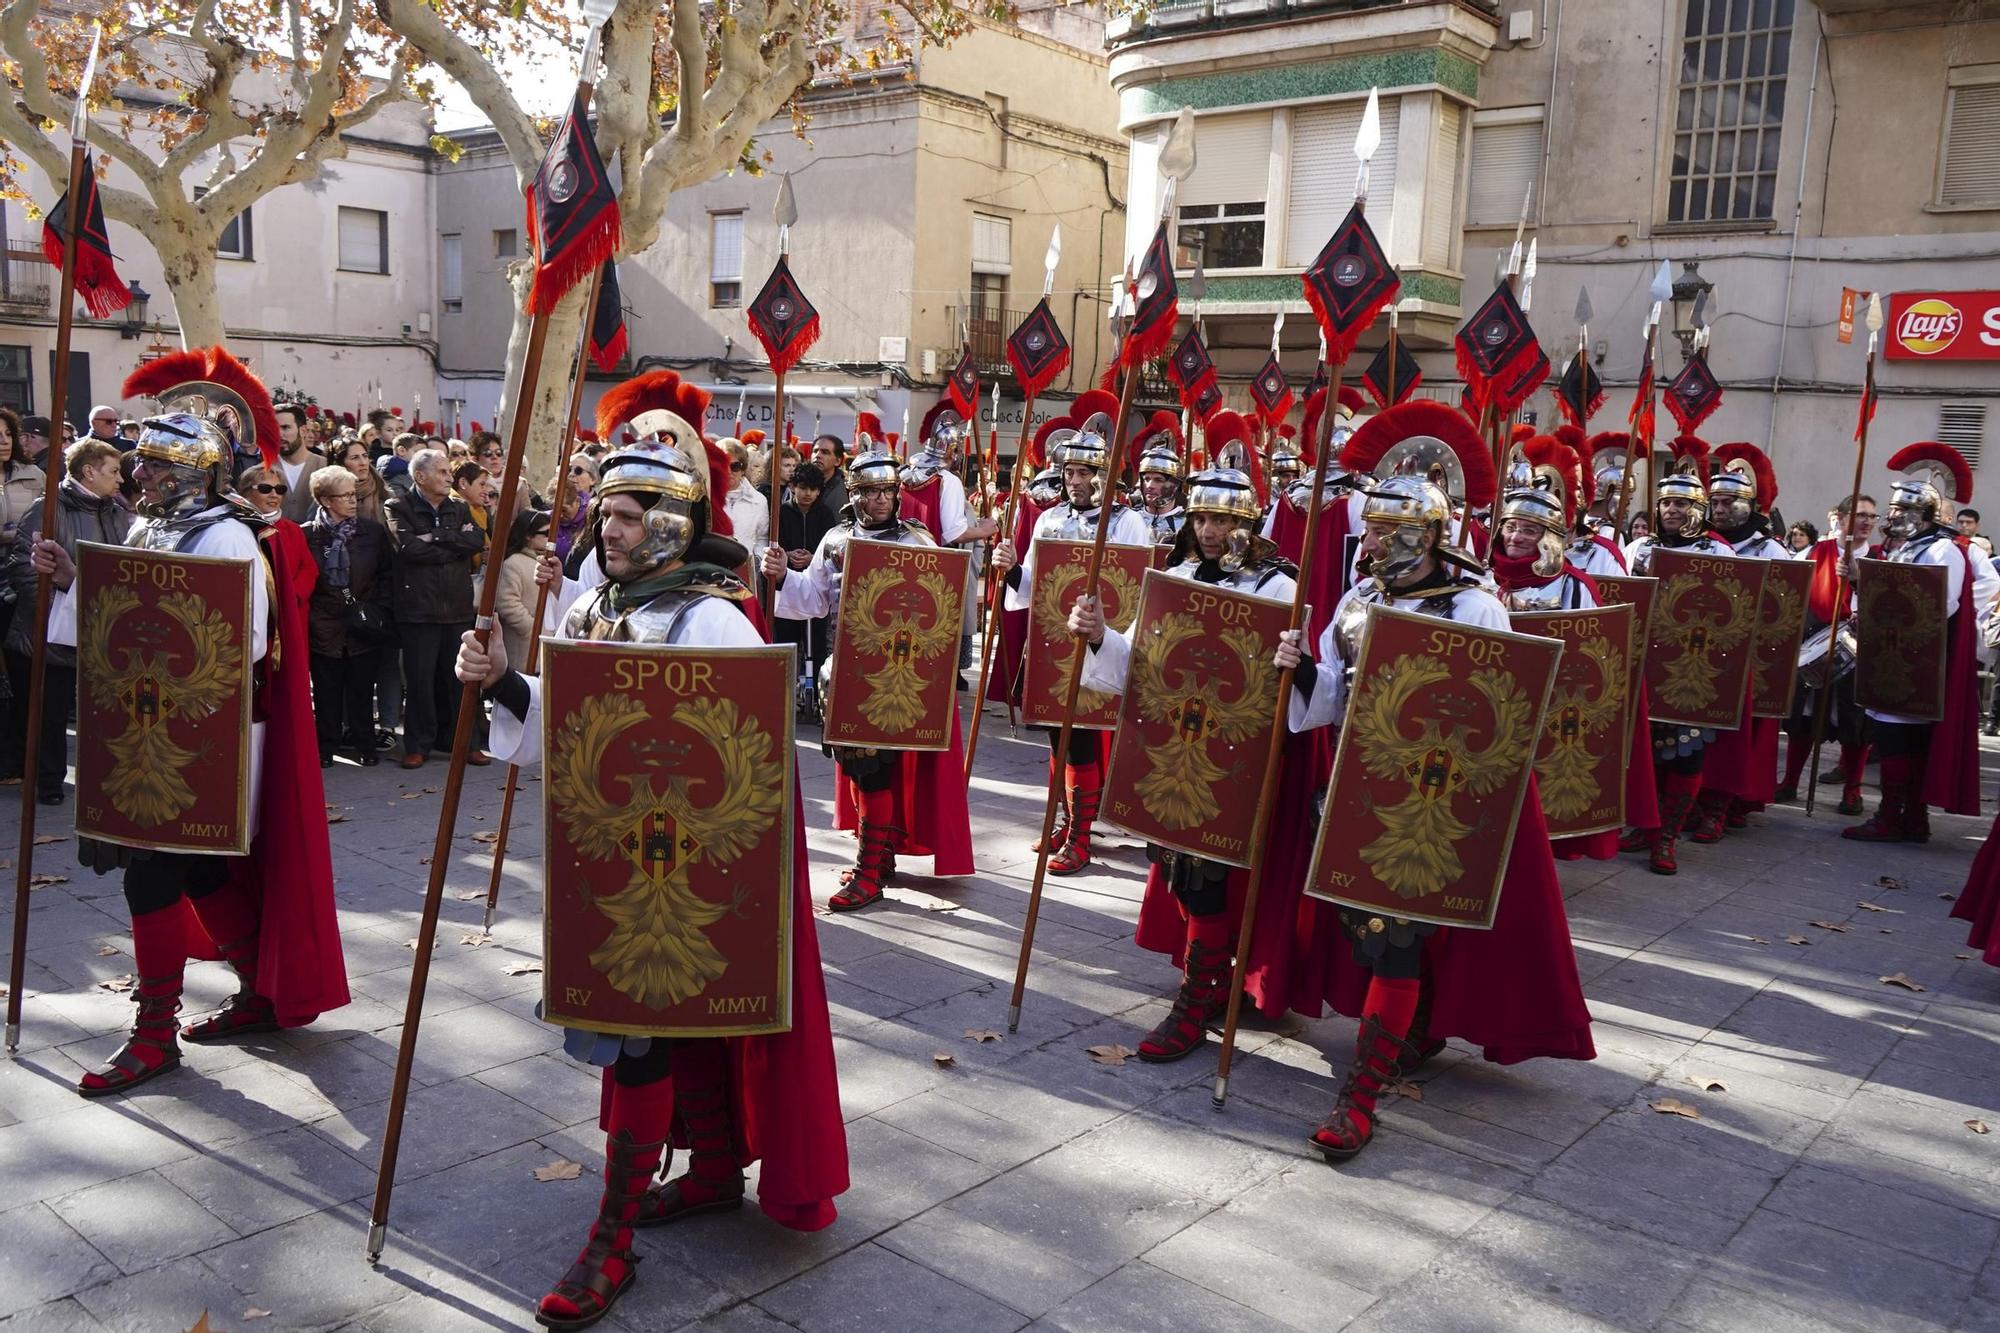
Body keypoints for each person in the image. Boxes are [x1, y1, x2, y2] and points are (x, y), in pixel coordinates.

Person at [455, 385, 847, 1328]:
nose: (609, 525)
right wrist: (505, 679)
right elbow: (563, 728)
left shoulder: (716, 621)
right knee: (651, 1034)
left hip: (688, 872)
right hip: (612, 858)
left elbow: (750, 772)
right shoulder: (592, 605)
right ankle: (714, 1170)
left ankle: (613, 1238)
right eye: (605, 511)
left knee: (639, 1044)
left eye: (628, 515)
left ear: (672, 523)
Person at [1271, 411, 1593, 1163]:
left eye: (1382, 531)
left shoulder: (1476, 606)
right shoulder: (1356, 603)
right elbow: (1330, 702)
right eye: (1371, 530)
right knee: (1371, 935)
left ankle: (1363, 1091)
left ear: (1421, 534)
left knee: (1396, 941)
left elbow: (1504, 714)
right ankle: (1410, 1028)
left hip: (1436, 802)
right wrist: (1301, 666)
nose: (1370, 542)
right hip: (1360, 789)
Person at [31, 345, 347, 1095]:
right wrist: (76, 577)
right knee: (200, 867)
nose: (138, 476)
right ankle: (259, 991)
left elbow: (243, 643)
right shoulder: (153, 527)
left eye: (153, 466)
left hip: (210, 738)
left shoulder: (228, 535)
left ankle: (153, 1034)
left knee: (153, 874)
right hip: (150, 729)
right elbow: (123, 618)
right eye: (138, 464)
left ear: (196, 471)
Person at [1068, 463, 1302, 1061]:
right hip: (1175, 745)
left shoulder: (1277, 588)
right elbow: (1143, 660)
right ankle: (1212, 976)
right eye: (1201, 517)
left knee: (1206, 880)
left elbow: (1295, 678)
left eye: (1222, 518)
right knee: (1174, 867)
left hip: (1232, 753)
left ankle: (1196, 1003)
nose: (1210, 529)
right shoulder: (1174, 575)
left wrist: (1291, 658)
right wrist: (1099, 636)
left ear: (1244, 521)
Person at [764, 444, 976, 910]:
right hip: (846, 672)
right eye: (869, 491)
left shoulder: (918, 542)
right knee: (858, 767)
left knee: (877, 770)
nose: (879, 499)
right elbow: (813, 599)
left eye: (886, 490)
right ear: (854, 493)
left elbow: (943, 606)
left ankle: (870, 869)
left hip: (901, 677)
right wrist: (781, 577)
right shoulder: (837, 541)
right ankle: (877, 857)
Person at [990, 393, 1152, 875]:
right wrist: (1010, 570)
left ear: (1104, 476)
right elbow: (1034, 588)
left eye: (1084, 473)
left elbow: (1135, 591)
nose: (1075, 482)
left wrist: (1109, 636)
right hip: (1054, 643)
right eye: (1069, 473)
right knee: (1056, 738)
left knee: (1082, 739)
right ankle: (1067, 819)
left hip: (1102, 644)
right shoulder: (1050, 518)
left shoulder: (1129, 522)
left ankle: (1081, 835)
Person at [1488, 432, 1658, 862]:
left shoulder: (1573, 586)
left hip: (1551, 703)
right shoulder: (1484, 580)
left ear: (1549, 537)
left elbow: (1591, 653)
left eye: (1528, 529)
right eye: (1511, 526)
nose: (1516, 537)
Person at [1844, 444, 1998, 841]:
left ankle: (1895, 817)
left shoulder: (1941, 550)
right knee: (1900, 739)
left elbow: (1936, 606)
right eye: (1892, 509)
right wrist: (1861, 584)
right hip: (1896, 653)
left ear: (1924, 516)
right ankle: (1909, 817)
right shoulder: (1908, 548)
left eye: (1902, 510)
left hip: (1919, 660)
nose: (1892, 517)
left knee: (1900, 738)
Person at [1615, 439, 1736, 874]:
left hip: (1692, 666)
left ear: (1699, 510)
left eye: (1682, 504)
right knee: (1642, 752)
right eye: (1666, 503)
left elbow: (1733, 614)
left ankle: (1666, 836)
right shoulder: (1638, 549)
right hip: (1645, 661)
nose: (1671, 510)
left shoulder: (1719, 553)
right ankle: (1642, 825)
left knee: (1686, 753)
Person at [3, 438, 124, 801]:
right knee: (50, 713)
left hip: (102, 627)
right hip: (52, 631)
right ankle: (50, 781)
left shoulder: (117, 512)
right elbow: (23, 570)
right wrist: (65, 600)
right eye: (114, 471)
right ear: (89, 472)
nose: (121, 479)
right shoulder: (47, 510)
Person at [1692, 442, 1791, 838]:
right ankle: (1691, 801)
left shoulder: (1771, 549)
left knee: (1737, 738)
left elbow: (1783, 609)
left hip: (1746, 656)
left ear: (1750, 503)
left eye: (1728, 501)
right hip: (1699, 653)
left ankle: (1722, 804)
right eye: (1714, 501)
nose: (1719, 509)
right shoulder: (1700, 542)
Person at [384, 447, 489, 769]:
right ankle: (417, 745)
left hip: (457, 608)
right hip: (418, 611)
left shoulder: (458, 506)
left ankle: (466, 743)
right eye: (443, 472)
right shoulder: (397, 505)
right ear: (420, 476)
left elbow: (475, 541)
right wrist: (450, 542)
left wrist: (435, 538)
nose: (449, 478)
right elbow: (408, 548)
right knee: (420, 682)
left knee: (460, 681)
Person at [1781, 494, 1878, 809]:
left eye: (1872, 517)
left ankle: (1852, 790)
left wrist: (1859, 580)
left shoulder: (1881, 559)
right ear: (1841, 517)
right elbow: (1789, 590)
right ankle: (1790, 782)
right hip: (1815, 645)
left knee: (1855, 722)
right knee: (1804, 717)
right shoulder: (1814, 551)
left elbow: (1888, 605)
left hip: (1858, 650)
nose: (1866, 522)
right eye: (1860, 514)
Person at [303, 465, 392, 767]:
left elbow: (386, 575)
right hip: (323, 624)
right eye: (345, 496)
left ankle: (365, 745)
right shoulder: (308, 535)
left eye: (354, 494)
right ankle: (325, 749)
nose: (353, 501)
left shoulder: (372, 532)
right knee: (326, 692)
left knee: (362, 690)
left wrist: (377, 611)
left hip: (362, 623)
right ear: (326, 500)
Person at [771, 460, 836, 679]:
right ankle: (783, 684)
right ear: (792, 487)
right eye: (803, 488)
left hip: (815, 586)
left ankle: (813, 690)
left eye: (813, 489)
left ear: (819, 491)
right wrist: (786, 555)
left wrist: (812, 558)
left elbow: (828, 549)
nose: (807, 493)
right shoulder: (781, 512)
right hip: (786, 582)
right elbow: (773, 542)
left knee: (816, 643)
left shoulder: (826, 515)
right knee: (785, 640)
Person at [494, 506, 551, 671]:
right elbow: (507, 603)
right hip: (523, 647)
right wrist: (530, 628)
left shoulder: (543, 561)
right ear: (528, 536)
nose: (550, 537)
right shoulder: (513, 563)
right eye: (545, 533)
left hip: (541, 642)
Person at [1132, 413, 1188, 543]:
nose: (1149, 486)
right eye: (1146, 479)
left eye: (1158, 480)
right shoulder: (1127, 519)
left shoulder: (1188, 525)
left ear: (1173, 484)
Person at [720, 439, 768, 575]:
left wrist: (756, 562)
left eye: (735, 466)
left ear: (743, 469)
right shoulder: (706, 496)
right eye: (724, 465)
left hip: (744, 571)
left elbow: (762, 537)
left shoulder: (759, 501)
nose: (729, 471)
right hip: (711, 569)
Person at [273, 404, 325, 524]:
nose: (279, 434)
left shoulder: (325, 467)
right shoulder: (262, 471)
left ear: (303, 431)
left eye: (285, 427)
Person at [552, 455, 596, 566]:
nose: (571, 474)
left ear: (593, 479)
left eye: (578, 470)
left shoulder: (598, 511)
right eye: (568, 469)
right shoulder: (551, 503)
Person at [812, 432, 848, 516]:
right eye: (815, 451)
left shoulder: (848, 489)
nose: (818, 455)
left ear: (837, 461)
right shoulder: (798, 485)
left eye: (825, 452)